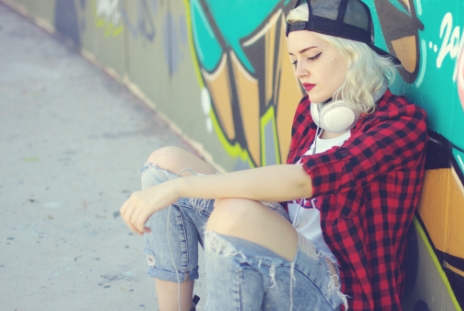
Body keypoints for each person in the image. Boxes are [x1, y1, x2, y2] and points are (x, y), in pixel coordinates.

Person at [119, 0, 428, 310]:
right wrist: (172, 182)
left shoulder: (401, 123)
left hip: (341, 294)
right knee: (165, 163)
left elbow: (304, 181)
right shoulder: (311, 114)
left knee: (231, 214)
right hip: (287, 260)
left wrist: (181, 187)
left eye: (313, 56)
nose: (301, 71)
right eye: (294, 60)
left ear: (353, 53)